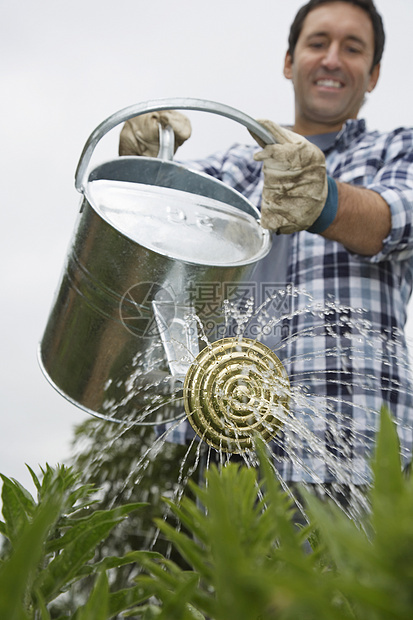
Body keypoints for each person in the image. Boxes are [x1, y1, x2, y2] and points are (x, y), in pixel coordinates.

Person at [119, 0, 413, 489]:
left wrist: (327, 201)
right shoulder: (234, 168)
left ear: (374, 73)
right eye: (317, 43)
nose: (333, 59)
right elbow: (159, 224)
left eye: (353, 48)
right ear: (288, 61)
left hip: (360, 455)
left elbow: (397, 218)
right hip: (224, 459)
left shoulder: (396, 150)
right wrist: (148, 169)